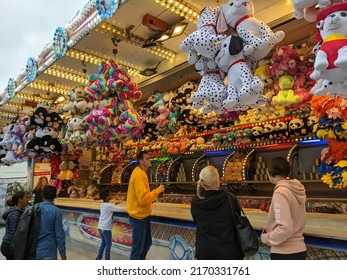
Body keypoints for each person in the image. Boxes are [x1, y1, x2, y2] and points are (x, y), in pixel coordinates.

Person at [190, 165, 244, 260]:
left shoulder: (195, 202)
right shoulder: (229, 198)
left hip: (205, 254)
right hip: (230, 253)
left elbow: (196, 221)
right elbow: (238, 219)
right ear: (217, 181)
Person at [261, 157, 307, 260]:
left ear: (270, 173)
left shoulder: (280, 193)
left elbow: (285, 228)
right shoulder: (295, 189)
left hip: (285, 252)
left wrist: (267, 238)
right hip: (299, 249)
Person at [126, 151, 165, 260]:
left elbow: (143, 197)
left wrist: (151, 198)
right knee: (137, 248)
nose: (150, 160)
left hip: (143, 215)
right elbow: (143, 199)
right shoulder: (139, 175)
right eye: (147, 158)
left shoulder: (141, 173)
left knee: (147, 243)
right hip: (138, 217)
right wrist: (157, 191)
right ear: (141, 161)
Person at [36, 185, 66, 260]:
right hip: (49, 250)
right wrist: (62, 253)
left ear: (42, 195)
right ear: (55, 196)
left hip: (35, 249)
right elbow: (59, 234)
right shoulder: (56, 211)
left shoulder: (34, 208)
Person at [96, 188, 125, 260]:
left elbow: (111, 205)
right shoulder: (109, 206)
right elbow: (121, 209)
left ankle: (98, 257)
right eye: (110, 194)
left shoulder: (103, 204)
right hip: (106, 228)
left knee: (103, 243)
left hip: (100, 227)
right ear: (107, 197)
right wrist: (132, 208)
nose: (111, 195)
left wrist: (118, 202)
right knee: (108, 244)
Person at [1, 191, 30, 259]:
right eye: (26, 197)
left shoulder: (19, 212)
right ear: (20, 199)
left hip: (10, 245)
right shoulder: (15, 214)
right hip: (10, 246)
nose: (28, 199)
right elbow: (13, 234)